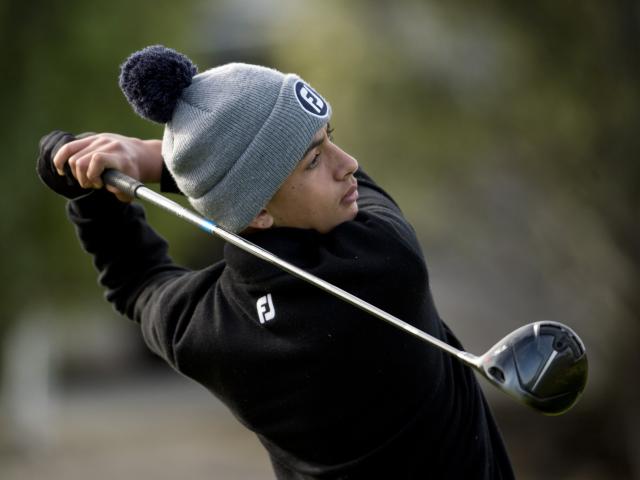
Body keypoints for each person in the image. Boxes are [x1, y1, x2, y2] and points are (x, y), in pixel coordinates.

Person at [36, 45, 515, 479]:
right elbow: (349, 185)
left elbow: (137, 283)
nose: (345, 163)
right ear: (258, 210)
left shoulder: (210, 331)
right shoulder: (383, 259)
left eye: (330, 137)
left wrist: (91, 197)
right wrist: (151, 160)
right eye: (313, 159)